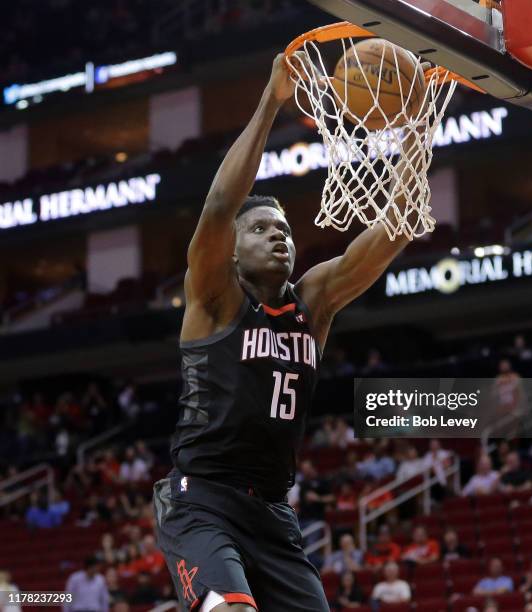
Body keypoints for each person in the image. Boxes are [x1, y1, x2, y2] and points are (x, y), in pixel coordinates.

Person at [153, 51, 420, 612]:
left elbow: (395, 228)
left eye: (284, 230)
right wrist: (272, 101)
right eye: (261, 229)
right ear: (232, 248)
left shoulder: (314, 302)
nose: (279, 237)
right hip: (201, 500)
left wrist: (417, 126)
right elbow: (222, 203)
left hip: (273, 512)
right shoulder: (214, 296)